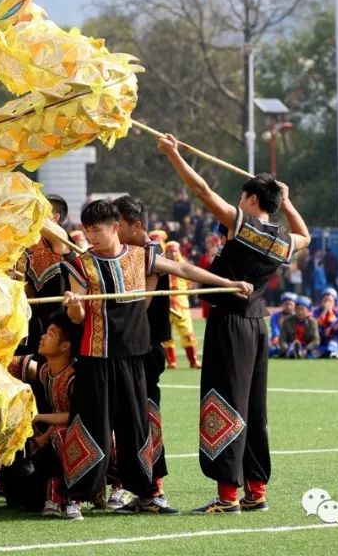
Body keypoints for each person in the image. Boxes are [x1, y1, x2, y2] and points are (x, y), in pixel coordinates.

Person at [157, 133, 310, 514]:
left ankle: (227, 497)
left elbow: (203, 191)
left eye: (242, 197)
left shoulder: (248, 226)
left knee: (224, 400)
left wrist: (174, 155)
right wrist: (288, 204)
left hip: (230, 323)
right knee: (254, 408)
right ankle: (255, 491)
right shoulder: (281, 240)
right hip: (258, 325)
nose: (238, 202)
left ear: (252, 200)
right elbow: (306, 235)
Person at [107, 197, 250, 514]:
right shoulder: (123, 254)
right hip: (129, 347)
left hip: (143, 348)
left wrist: (227, 283)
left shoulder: (147, 254)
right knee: (129, 419)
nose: (114, 231)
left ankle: (154, 492)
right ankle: (138, 489)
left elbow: (182, 271)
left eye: (119, 224)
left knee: (144, 418)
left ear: (136, 225)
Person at [4, 313, 81, 518]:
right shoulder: (46, 371)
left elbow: (76, 416)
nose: (43, 337)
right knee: (21, 497)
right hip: (55, 435)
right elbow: (15, 364)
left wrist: (39, 419)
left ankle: (67, 498)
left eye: (50, 333)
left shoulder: (76, 376)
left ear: (65, 346)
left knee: (60, 434)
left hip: (78, 437)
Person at [15, 195, 72, 356]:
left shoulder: (63, 240)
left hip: (56, 320)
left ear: (55, 218)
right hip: (28, 322)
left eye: (41, 211)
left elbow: (58, 242)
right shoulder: (24, 241)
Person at [162, 240, 200, 369]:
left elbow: (190, 285)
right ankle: (171, 361)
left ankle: (193, 360)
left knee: (188, 332)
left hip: (182, 306)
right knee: (166, 335)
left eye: (174, 251)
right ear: (165, 252)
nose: (172, 254)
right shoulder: (161, 266)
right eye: (170, 251)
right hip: (166, 307)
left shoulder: (185, 266)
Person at [268, 293, 297, 358]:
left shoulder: (297, 316)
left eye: (291, 304)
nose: (288, 307)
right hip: (277, 339)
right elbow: (274, 329)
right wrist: (277, 337)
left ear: (294, 305)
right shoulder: (275, 316)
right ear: (282, 304)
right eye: (286, 304)